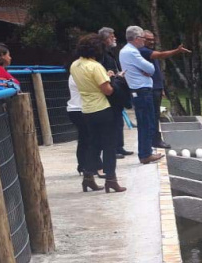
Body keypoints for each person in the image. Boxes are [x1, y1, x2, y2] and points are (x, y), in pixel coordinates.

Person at [70, 34, 125, 193]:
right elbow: (107, 91)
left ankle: (88, 177)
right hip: (102, 109)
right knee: (109, 145)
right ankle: (111, 180)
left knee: (93, 144)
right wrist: (114, 79)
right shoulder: (95, 66)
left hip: (87, 109)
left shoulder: (75, 65)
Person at [119, 26, 163, 165]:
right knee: (146, 122)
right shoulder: (132, 52)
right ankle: (145, 154)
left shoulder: (126, 51)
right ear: (137, 39)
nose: (144, 41)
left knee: (147, 121)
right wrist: (148, 71)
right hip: (142, 91)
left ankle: (146, 151)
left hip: (140, 90)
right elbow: (151, 68)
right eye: (143, 38)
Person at [140, 31, 190, 149]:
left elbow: (157, 70)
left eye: (153, 39)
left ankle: (155, 140)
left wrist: (161, 87)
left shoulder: (149, 51)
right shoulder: (144, 51)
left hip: (156, 87)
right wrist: (177, 51)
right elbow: (162, 55)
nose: (151, 41)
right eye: (148, 39)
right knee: (152, 116)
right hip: (150, 89)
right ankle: (154, 141)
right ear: (141, 39)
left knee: (155, 115)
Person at [98, 27, 132, 158]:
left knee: (118, 120)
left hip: (116, 85)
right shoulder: (101, 53)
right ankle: (113, 149)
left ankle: (119, 146)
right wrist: (112, 76)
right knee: (112, 122)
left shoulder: (110, 52)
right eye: (112, 37)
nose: (115, 39)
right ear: (106, 39)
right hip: (110, 89)